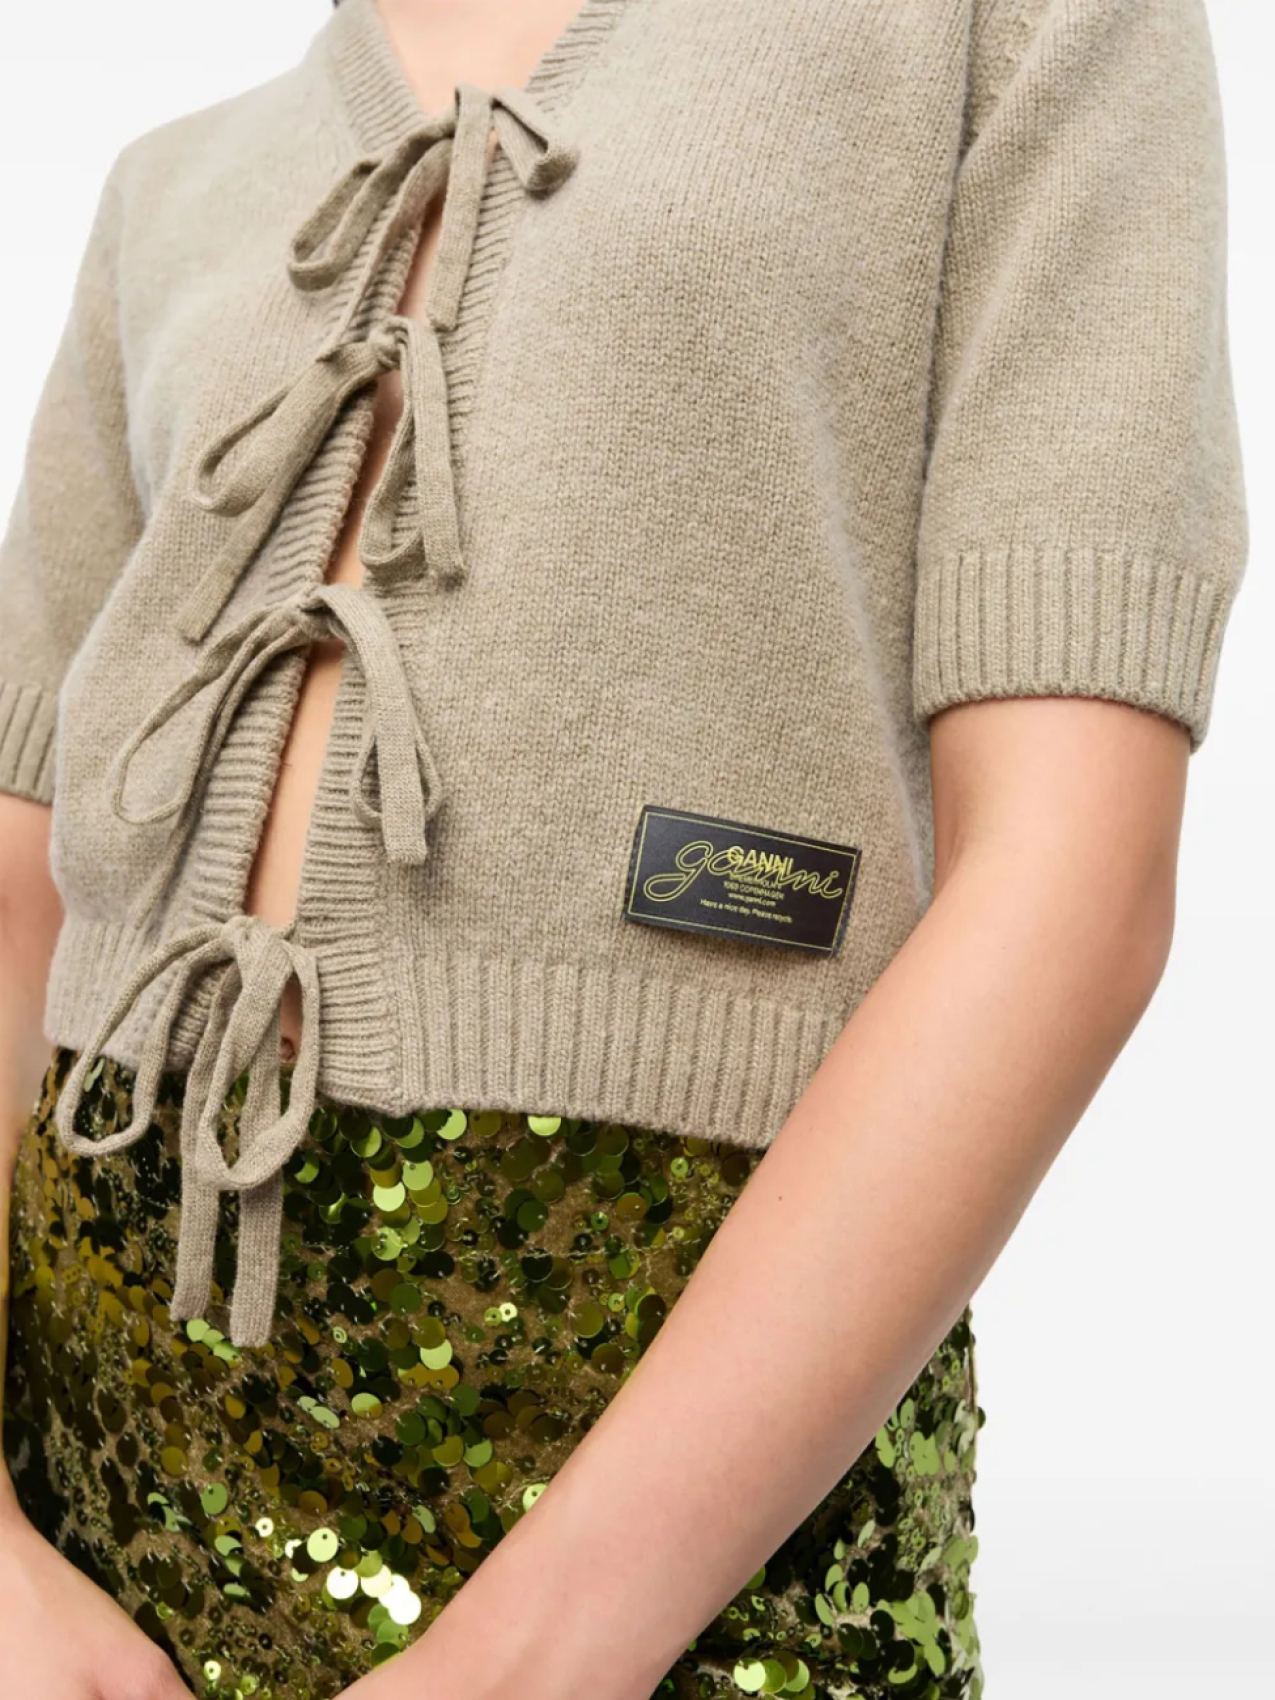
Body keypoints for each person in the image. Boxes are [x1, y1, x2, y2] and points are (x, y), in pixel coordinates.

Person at [0, 0, 1248, 1696]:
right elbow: (18, 895)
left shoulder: (1005, 28)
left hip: (699, 1494)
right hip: (93, 1490)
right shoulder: (170, 185)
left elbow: (1073, 886)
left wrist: (543, 1651)